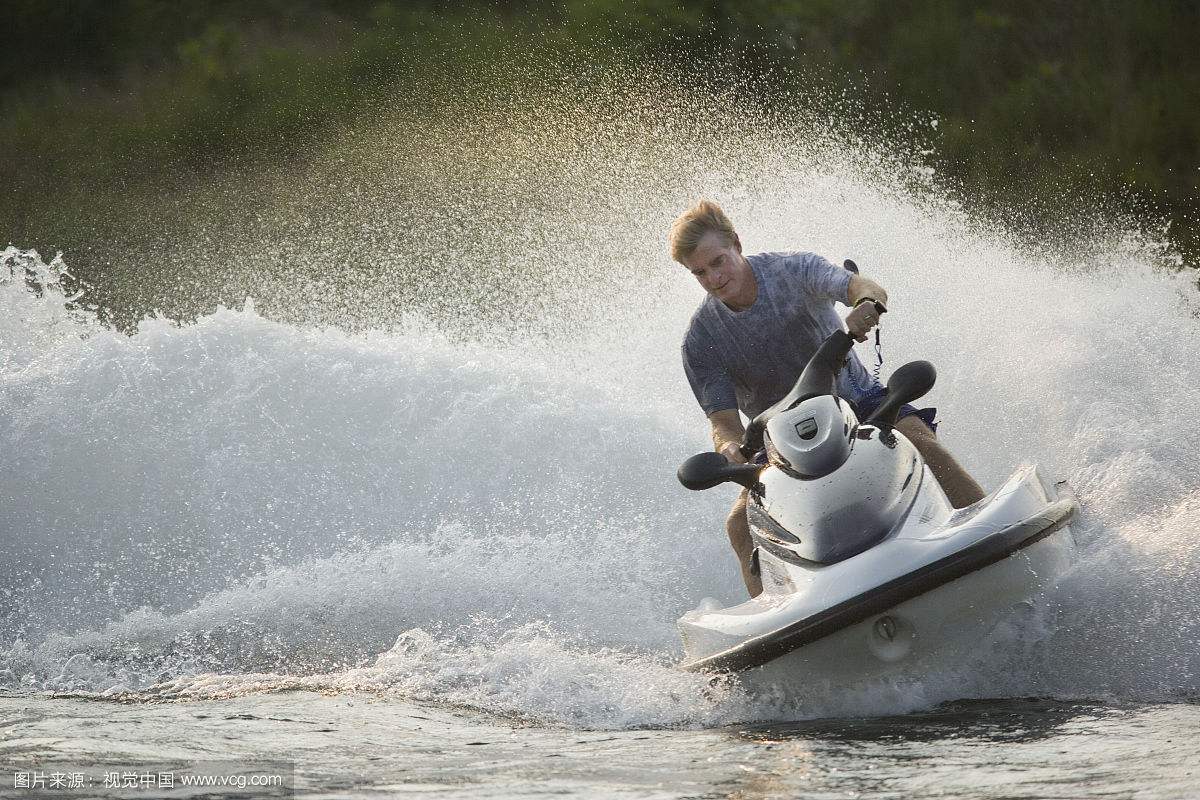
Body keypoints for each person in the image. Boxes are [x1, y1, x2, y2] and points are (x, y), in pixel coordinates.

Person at [672, 200, 985, 598]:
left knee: (920, 441)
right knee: (738, 525)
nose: (714, 278)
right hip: (780, 443)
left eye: (718, 261)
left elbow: (864, 288)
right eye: (699, 273)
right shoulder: (701, 339)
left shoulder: (793, 270)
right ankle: (777, 620)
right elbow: (723, 422)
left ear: (736, 243)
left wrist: (867, 306)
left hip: (858, 404)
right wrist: (729, 446)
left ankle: (992, 527)